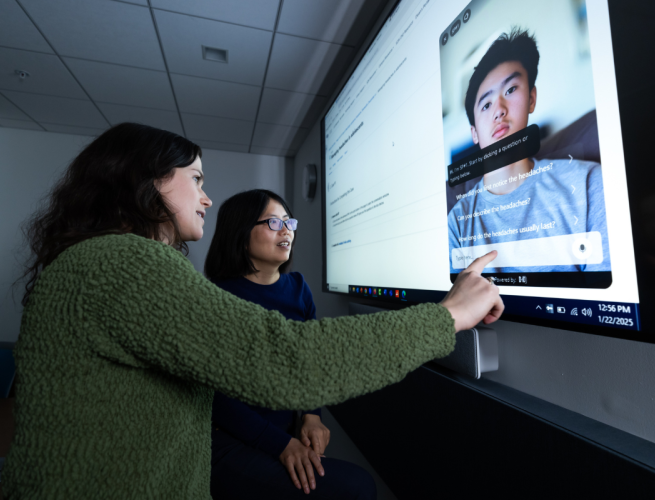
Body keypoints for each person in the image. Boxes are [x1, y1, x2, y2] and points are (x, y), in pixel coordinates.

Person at [5, 123, 504, 499]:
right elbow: (288, 361)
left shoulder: (93, 260)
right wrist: (448, 315)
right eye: (195, 178)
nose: (206, 196)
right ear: (147, 180)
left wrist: (308, 416)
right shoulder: (124, 262)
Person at [203, 189, 375, 499]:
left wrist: (311, 415)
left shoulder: (298, 287)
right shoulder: (216, 297)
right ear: (241, 235)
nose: (286, 231)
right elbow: (217, 399)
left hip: (281, 436)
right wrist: (281, 445)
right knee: (358, 487)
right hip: (230, 441)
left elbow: (307, 362)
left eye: (288, 222)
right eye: (272, 222)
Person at [447, 28, 610, 275]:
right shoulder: (457, 223)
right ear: (475, 133)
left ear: (531, 98)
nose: (499, 110)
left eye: (510, 90)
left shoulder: (587, 184)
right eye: (486, 104)